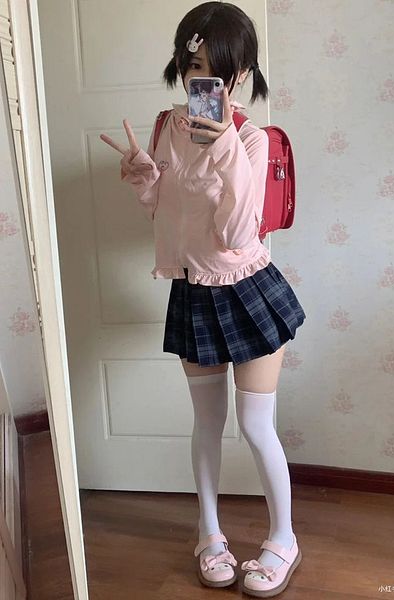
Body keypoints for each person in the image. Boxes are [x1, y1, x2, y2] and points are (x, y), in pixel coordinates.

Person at [100, 2, 306, 596]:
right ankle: (209, 533)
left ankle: (284, 538)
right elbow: (167, 214)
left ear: (239, 76)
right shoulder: (166, 128)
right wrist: (145, 178)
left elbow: (238, 233)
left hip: (248, 288)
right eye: (195, 67)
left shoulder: (251, 139)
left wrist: (224, 148)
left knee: (256, 424)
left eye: (218, 71)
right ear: (181, 65)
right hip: (193, 290)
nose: (204, 81)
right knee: (208, 424)